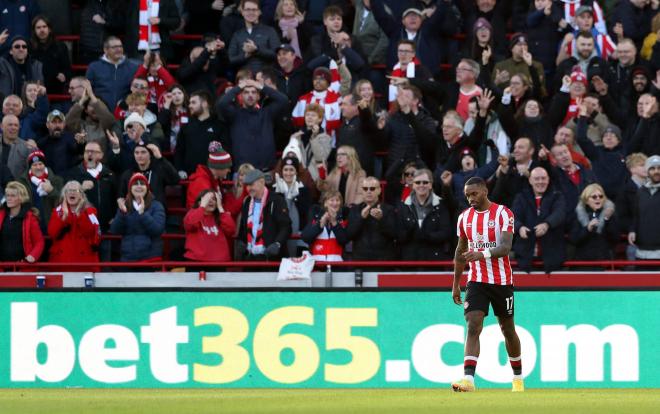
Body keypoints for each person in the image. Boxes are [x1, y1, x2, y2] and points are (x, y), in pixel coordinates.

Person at [451, 176, 524, 393]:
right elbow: (460, 250)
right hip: (476, 281)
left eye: (474, 194)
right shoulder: (464, 218)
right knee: (473, 324)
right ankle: (468, 380)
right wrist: (456, 283)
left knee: (507, 329)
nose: (470, 198)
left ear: (484, 191)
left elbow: (505, 247)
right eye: (467, 195)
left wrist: (480, 253)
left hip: (501, 281)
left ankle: (518, 378)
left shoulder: (503, 213)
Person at [512, 166, 567, 273]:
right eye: (537, 179)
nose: (540, 182)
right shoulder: (521, 197)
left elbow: (559, 213)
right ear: (530, 180)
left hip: (552, 261)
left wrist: (547, 224)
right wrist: (519, 227)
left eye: (543, 178)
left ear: (548, 180)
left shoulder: (557, 196)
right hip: (525, 260)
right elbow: (512, 217)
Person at [236, 169, 292, 261]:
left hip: (271, 257)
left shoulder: (277, 200)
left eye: (251, 185)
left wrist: (277, 244)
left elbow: (286, 226)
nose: (249, 188)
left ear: (262, 182)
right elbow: (243, 227)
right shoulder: (247, 202)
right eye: (247, 185)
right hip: (251, 257)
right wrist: (241, 241)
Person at [110, 172, 166, 263]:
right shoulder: (124, 205)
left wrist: (143, 214)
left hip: (150, 259)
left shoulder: (157, 205)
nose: (139, 186)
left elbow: (158, 230)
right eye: (135, 184)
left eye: (142, 184)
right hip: (127, 259)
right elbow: (115, 230)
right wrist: (122, 213)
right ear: (130, 188)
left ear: (147, 188)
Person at [398, 168, 452, 261]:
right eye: (418, 182)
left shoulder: (441, 205)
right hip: (410, 261)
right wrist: (410, 233)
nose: (421, 185)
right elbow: (398, 234)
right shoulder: (404, 206)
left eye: (425, 182)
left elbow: (446, 232)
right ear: (413, 185)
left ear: (430, 185)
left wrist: (428, 236)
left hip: (434, 261)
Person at [47, 180, 101, 270]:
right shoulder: (58, 211)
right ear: (64, 195)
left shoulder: (90, 211)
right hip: (61, 261)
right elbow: (52, 233)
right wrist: (64, 216)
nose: (72, 193)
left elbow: (91, 233)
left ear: (81, 195)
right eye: (68, 190)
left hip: (84, 262)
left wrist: (79, 214)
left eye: (76, 191)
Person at [175, 90, 227, 178]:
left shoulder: (219, 126)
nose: (190, 106)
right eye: (189, 103)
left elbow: (225, 150)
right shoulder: (186, 127)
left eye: (193, 102)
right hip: (190, 178)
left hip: (213, 177)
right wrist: (180, 169)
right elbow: (179, 151)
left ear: (205, 104)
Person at [346, 175, 397, 261]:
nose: (368, 191)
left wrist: (382, 219)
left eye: (372, 188)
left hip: (383, 261)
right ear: (362, 191)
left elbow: (395, 234)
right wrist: (361, 218)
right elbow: (349, 235)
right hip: (360, 260)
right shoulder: (354, 209)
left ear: (379, 190)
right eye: (365, 189)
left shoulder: (389, 209)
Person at [273, 155, 312, 256]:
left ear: (296, 172)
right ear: (281, 171)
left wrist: (295, 198)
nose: (288, 173)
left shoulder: (304, 191)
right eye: (285, 170)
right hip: (279, 236)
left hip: (299, 236)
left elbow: (305, 213)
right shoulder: (274, 190)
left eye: (291, 170)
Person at [184, 189, 236, 263]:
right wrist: (202, 207)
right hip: (196, 260)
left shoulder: (222, 216)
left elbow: (231, 230)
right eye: (207, 199)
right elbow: (190, 225)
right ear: (199, 201)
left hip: (219, 261)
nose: (211, 201)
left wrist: (220, 208)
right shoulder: (192, 213)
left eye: (214, 199)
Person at [85, 36, 139, 109]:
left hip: (125, 111)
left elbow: (139, 92)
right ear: (105, 50)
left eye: (120, 46)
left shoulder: (133, 67)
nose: (119, 49)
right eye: (114, 47)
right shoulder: (94, 67)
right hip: (100, 111)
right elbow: (88, 90)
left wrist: (124, 104)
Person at [227, 0, 280, 73]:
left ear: (259, 12)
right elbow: (231, 60)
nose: (251, 12)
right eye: (247, 9)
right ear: (242, 12)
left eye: (254, 10)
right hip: (244, 79)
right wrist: (245, 56)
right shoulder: (237, 34)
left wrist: (257, 50)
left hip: (266, 77)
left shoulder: (269, 31)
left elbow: (277, 55)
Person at [571, 183, 618, 261]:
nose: (598, 199)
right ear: (586, 200)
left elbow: (615, 238)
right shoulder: (578, 214)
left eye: (601, 196)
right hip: (583, 262)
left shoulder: (610, 213)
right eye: (594, 197)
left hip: (603, 261)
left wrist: (607, 220)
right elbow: (574, 239)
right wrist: (587, 229)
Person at [0, 181, 44, 265]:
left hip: (23, 266)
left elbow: (39, 241)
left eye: (12, 196)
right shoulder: (1, 215)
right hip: (1, 267)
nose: (9, 198)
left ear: (21, 198)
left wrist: (32, 256)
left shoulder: (30, 218)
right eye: (7, 195)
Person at [17, 150, 62, 231]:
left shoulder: (57, 180)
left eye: (40, 164)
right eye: (34, 165)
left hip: (52, 227)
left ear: (45, 165)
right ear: (30, 167)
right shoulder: (22, 182)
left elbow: (63, 202)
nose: (38, 167)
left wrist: (51, 190)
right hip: (30, 227)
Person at [301, 189, 349, 261]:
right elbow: (305, 237)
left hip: (337, 265)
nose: (335, 203)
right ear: (325, 203)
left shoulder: (344, 219)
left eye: (337, 200)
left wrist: (334, 223)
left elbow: (343, 240)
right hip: (317, 264)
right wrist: (320, 225)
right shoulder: (316, 218)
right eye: (332, 200)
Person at [628, 155, 660, 260]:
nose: (656, 171)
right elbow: (636, 215)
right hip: (642, 251)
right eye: (652, 168)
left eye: (659, 168)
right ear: (647, 171)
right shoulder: (640, 192)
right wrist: (632, 230)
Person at [30, 14, 71, 94]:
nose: (42, 30)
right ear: (34, 30)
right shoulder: (28, 47)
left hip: (56, 91)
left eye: (44, 27)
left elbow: (68, 70)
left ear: (49, 29)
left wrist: (64, 75)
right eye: (38, 27)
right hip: (35, 91)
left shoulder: (60, 46)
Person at [0, 114, 34, 179]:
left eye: (16, 125)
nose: (13, 128)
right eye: (10, 125)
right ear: (1, 126)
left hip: (17, 187)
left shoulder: (28, 148)